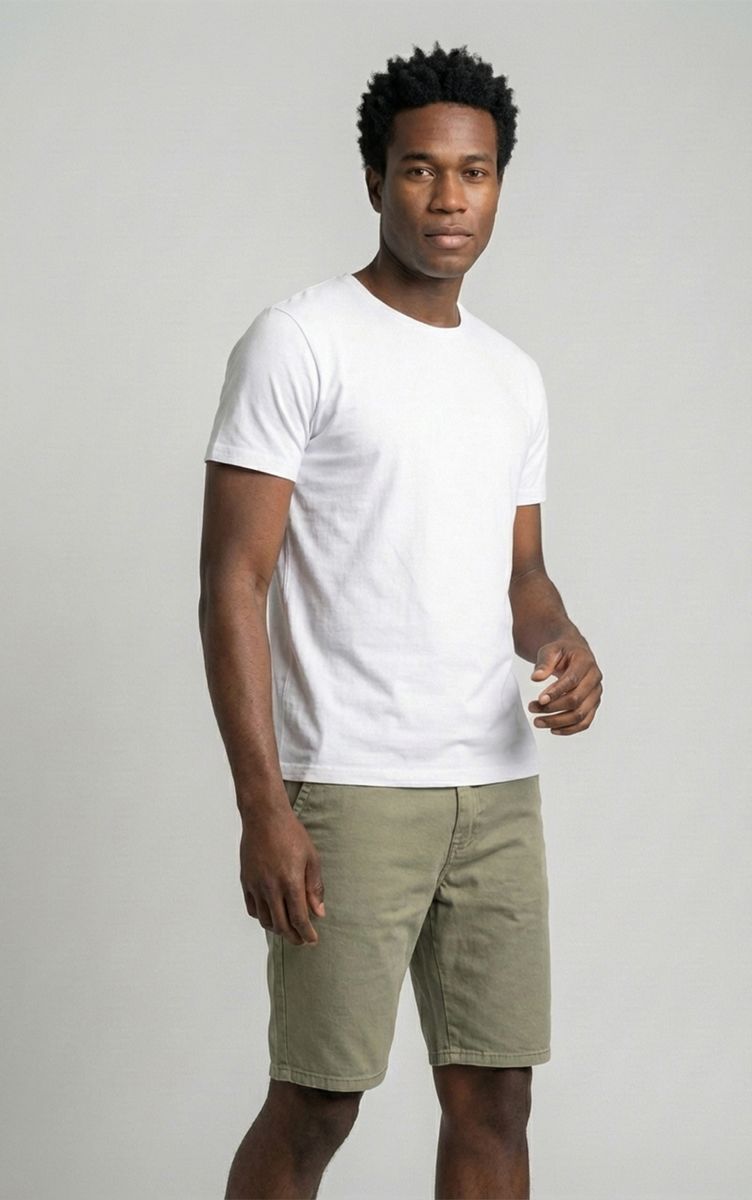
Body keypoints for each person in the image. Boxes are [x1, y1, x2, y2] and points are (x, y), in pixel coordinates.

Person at [199, 41, 602, 1200]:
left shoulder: (512, 375)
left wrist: (560, 641)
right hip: (350, 785)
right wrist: (262, 806)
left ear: (498, 183)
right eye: (420, 170)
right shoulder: (300, 339)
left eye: (472, 172)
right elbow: (232, 582)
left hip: (495, 787)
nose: (447, 198)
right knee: (318, 1100)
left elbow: (521, 573)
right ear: (375, 177)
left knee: (496, 1099)